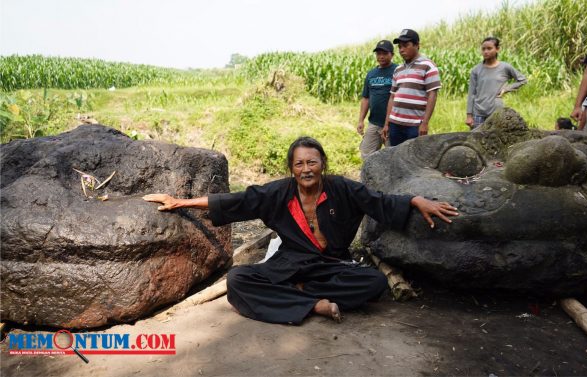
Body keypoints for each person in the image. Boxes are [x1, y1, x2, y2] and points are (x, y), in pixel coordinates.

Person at [144, 136, 458, 325]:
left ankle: (299, 295)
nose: (306, 169)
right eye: (299, 164)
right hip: (289, 263)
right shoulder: (278, 193)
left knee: (374, 283)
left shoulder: (343, 189)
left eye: (312, 162)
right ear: (291, 169)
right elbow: (235, 201)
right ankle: (314, 304)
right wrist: (179, 201)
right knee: (239, 280)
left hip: (330, 264)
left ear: (323, 163)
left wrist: (416, 200)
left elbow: (379, 202)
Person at [382, 29, 441, 146]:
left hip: (414, 125)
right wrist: (387, 123)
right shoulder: (398, 69)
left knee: (413, 161)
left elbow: (432, 95)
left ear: (417, 45)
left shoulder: (428, 66)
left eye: (405, 45)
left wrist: (425, 123)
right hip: (395, 124)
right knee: (396, 158)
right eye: (399, 47)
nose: (401, 50)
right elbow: (392, 97)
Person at [466, 37, 527, 130]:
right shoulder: (476, 70)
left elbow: (522, 80)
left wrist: (506, 89)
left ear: (497, 49)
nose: (486, 51)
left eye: (489, 48)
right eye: (483, 49)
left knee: (495, 140)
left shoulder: (505, 67)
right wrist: (469, 116)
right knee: (476, 140)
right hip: (478, 113)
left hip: (496, 112)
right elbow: (471, 94)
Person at [357, 40, 397, 159]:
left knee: (393, 156)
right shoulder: (371, 74)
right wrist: (361, 120)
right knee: (366, 155)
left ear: (392, 55)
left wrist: (388, 124)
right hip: (374, 123)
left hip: (392, 125)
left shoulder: (397, 71)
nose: (381, 56)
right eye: (378, 53)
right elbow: (366, 98)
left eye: (384, 53)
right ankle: (369, 177)